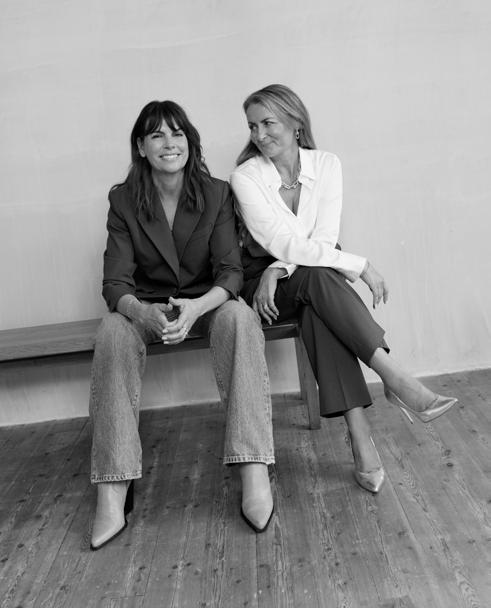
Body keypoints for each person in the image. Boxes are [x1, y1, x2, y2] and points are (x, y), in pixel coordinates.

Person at [230, 84, 457, 515]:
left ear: (296, 123)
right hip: (263, 288)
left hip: (304, 277)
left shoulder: (327, 165)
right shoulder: (246, 177)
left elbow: (322, 240)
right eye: (252, 126)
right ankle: (392, 376)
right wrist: (357, 265)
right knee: (321, 278)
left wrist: (284, 267)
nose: (259, 134)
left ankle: (360, 436)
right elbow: (280, 241)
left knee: (319, 301)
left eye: (268, 123)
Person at [89, 100, 275, 549]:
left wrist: (196, 308)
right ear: (141, 146)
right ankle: (113, 488)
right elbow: (115, 283)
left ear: (190, 142)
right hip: (148, 306)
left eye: (177, 133)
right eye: (157, 135)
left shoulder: (217, 193)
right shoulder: (123, 200)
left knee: (240, 317)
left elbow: (230, 272)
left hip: (206, 302)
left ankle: (253, 468)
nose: (169, 143)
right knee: (111, 330)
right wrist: (141, 312)